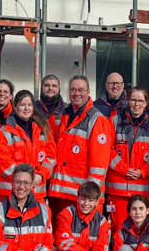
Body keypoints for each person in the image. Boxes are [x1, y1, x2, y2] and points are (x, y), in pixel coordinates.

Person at [48, 75, 113, 216]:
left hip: (81, 197)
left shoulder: (97, 120)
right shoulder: (59, 116)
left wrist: (91, 196)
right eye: (73, 90)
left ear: (88, 92)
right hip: (58, 194)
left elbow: (99, 165)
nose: (76, 93)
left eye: (81, 90)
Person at [106, 87, 149, 234]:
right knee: (118, 231)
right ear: (128, 101)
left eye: (140, 100)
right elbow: (107, 150)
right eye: (133, 100)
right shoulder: (113, 122)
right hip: (118, 192)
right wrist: (124, 170)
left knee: (143, 233)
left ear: (145, 103)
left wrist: (142, 172)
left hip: (142, 192)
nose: (136, 104)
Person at [0, 90, 56, 203]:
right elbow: (3, 162)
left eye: (29, 105)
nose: (26, 108)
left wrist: (41, 175)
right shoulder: (4, 131)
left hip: (36, 194)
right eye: (22, 105)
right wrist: (24, 181)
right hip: (9, 194)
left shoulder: (43, 129)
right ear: (15, 107)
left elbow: (51, 157)